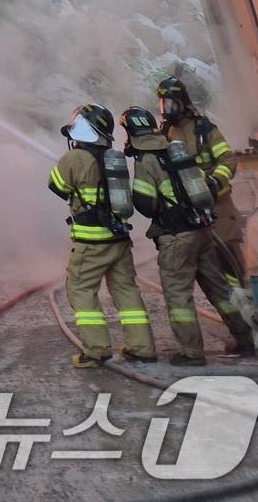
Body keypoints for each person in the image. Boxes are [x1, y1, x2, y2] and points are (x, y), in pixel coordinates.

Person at [123, 106, 254, 365]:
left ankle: (191, 353)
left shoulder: (145, 160)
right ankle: (246, 337)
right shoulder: (176, 149)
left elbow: (146, 204)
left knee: (178, 296)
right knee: (219, 290)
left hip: (176, 237)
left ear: (131, 132)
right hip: (202, 231)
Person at [48, 103, 157, 367]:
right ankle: (142, 348)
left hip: (91, 243)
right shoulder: (113, 156)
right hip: (119, 240)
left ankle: (96, 350)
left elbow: (57, 186)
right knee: (126, 290)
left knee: (81, 290)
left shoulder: (74, 158)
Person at [157, 77, 245, 286]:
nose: (166, 110)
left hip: (218, 202)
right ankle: (226, 298)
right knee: (206, 260)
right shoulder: (165, 133)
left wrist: (216, 182)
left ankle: (242, 294)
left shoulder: (203, 129)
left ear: (182, 102)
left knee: (228, 254)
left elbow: (227, 159)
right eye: (162, 104)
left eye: (171, 104)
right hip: (189, 208)